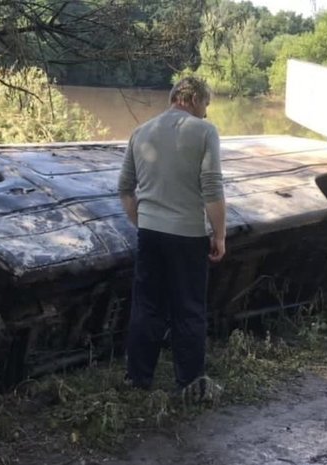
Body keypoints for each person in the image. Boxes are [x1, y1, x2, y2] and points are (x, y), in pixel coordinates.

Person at [117, 76, 226, 396]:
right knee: (188, 309)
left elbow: (125, 188)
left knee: (146, 306)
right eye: (205, 104)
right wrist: (219, 235)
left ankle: (138, 379)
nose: (206, 113)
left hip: (150, 235)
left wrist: (142, 222)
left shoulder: (141, 132)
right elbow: (212, 188)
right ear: (192, 99)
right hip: (188, 235)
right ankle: (189, 383)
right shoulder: (205, 131)